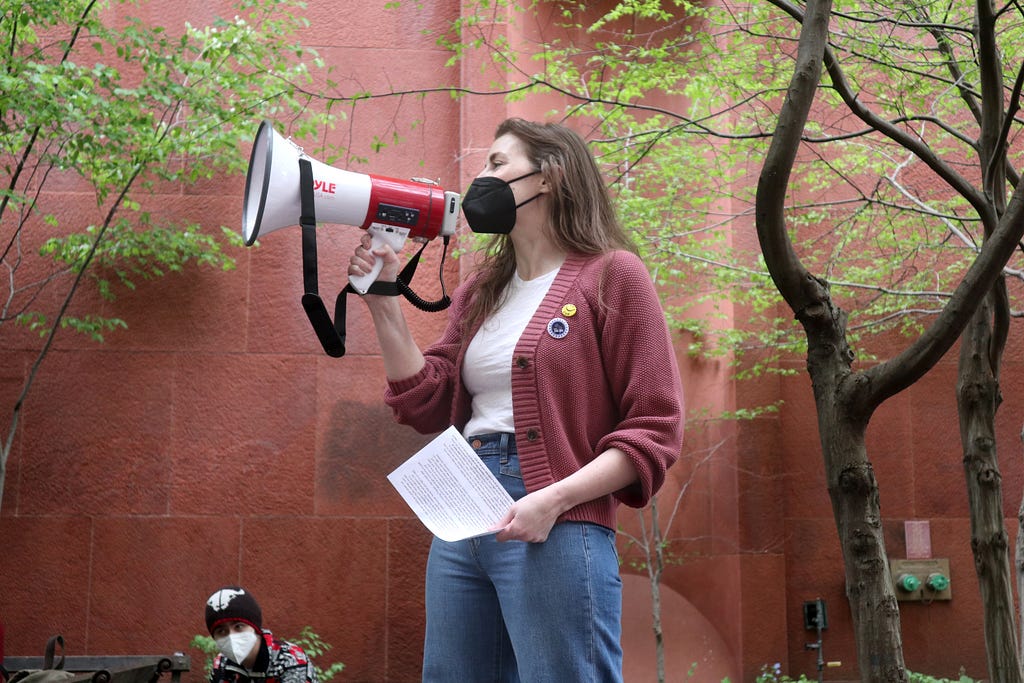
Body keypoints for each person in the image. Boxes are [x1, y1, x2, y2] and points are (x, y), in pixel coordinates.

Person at [348, 117, 685, 682]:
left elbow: (655, 427)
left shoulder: (612, 276)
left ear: (549, 176)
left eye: (497, 164)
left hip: (557, 511)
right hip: (462, 509)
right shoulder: (484, 291)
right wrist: (383, 299)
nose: (482, 178)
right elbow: (427, 401)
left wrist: (552, 500)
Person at [204, 586, 317, 683]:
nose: (231, 636)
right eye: (221, 631)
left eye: (238, 627)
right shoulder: (221, 665)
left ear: (255, 628)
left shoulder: (290, 660)